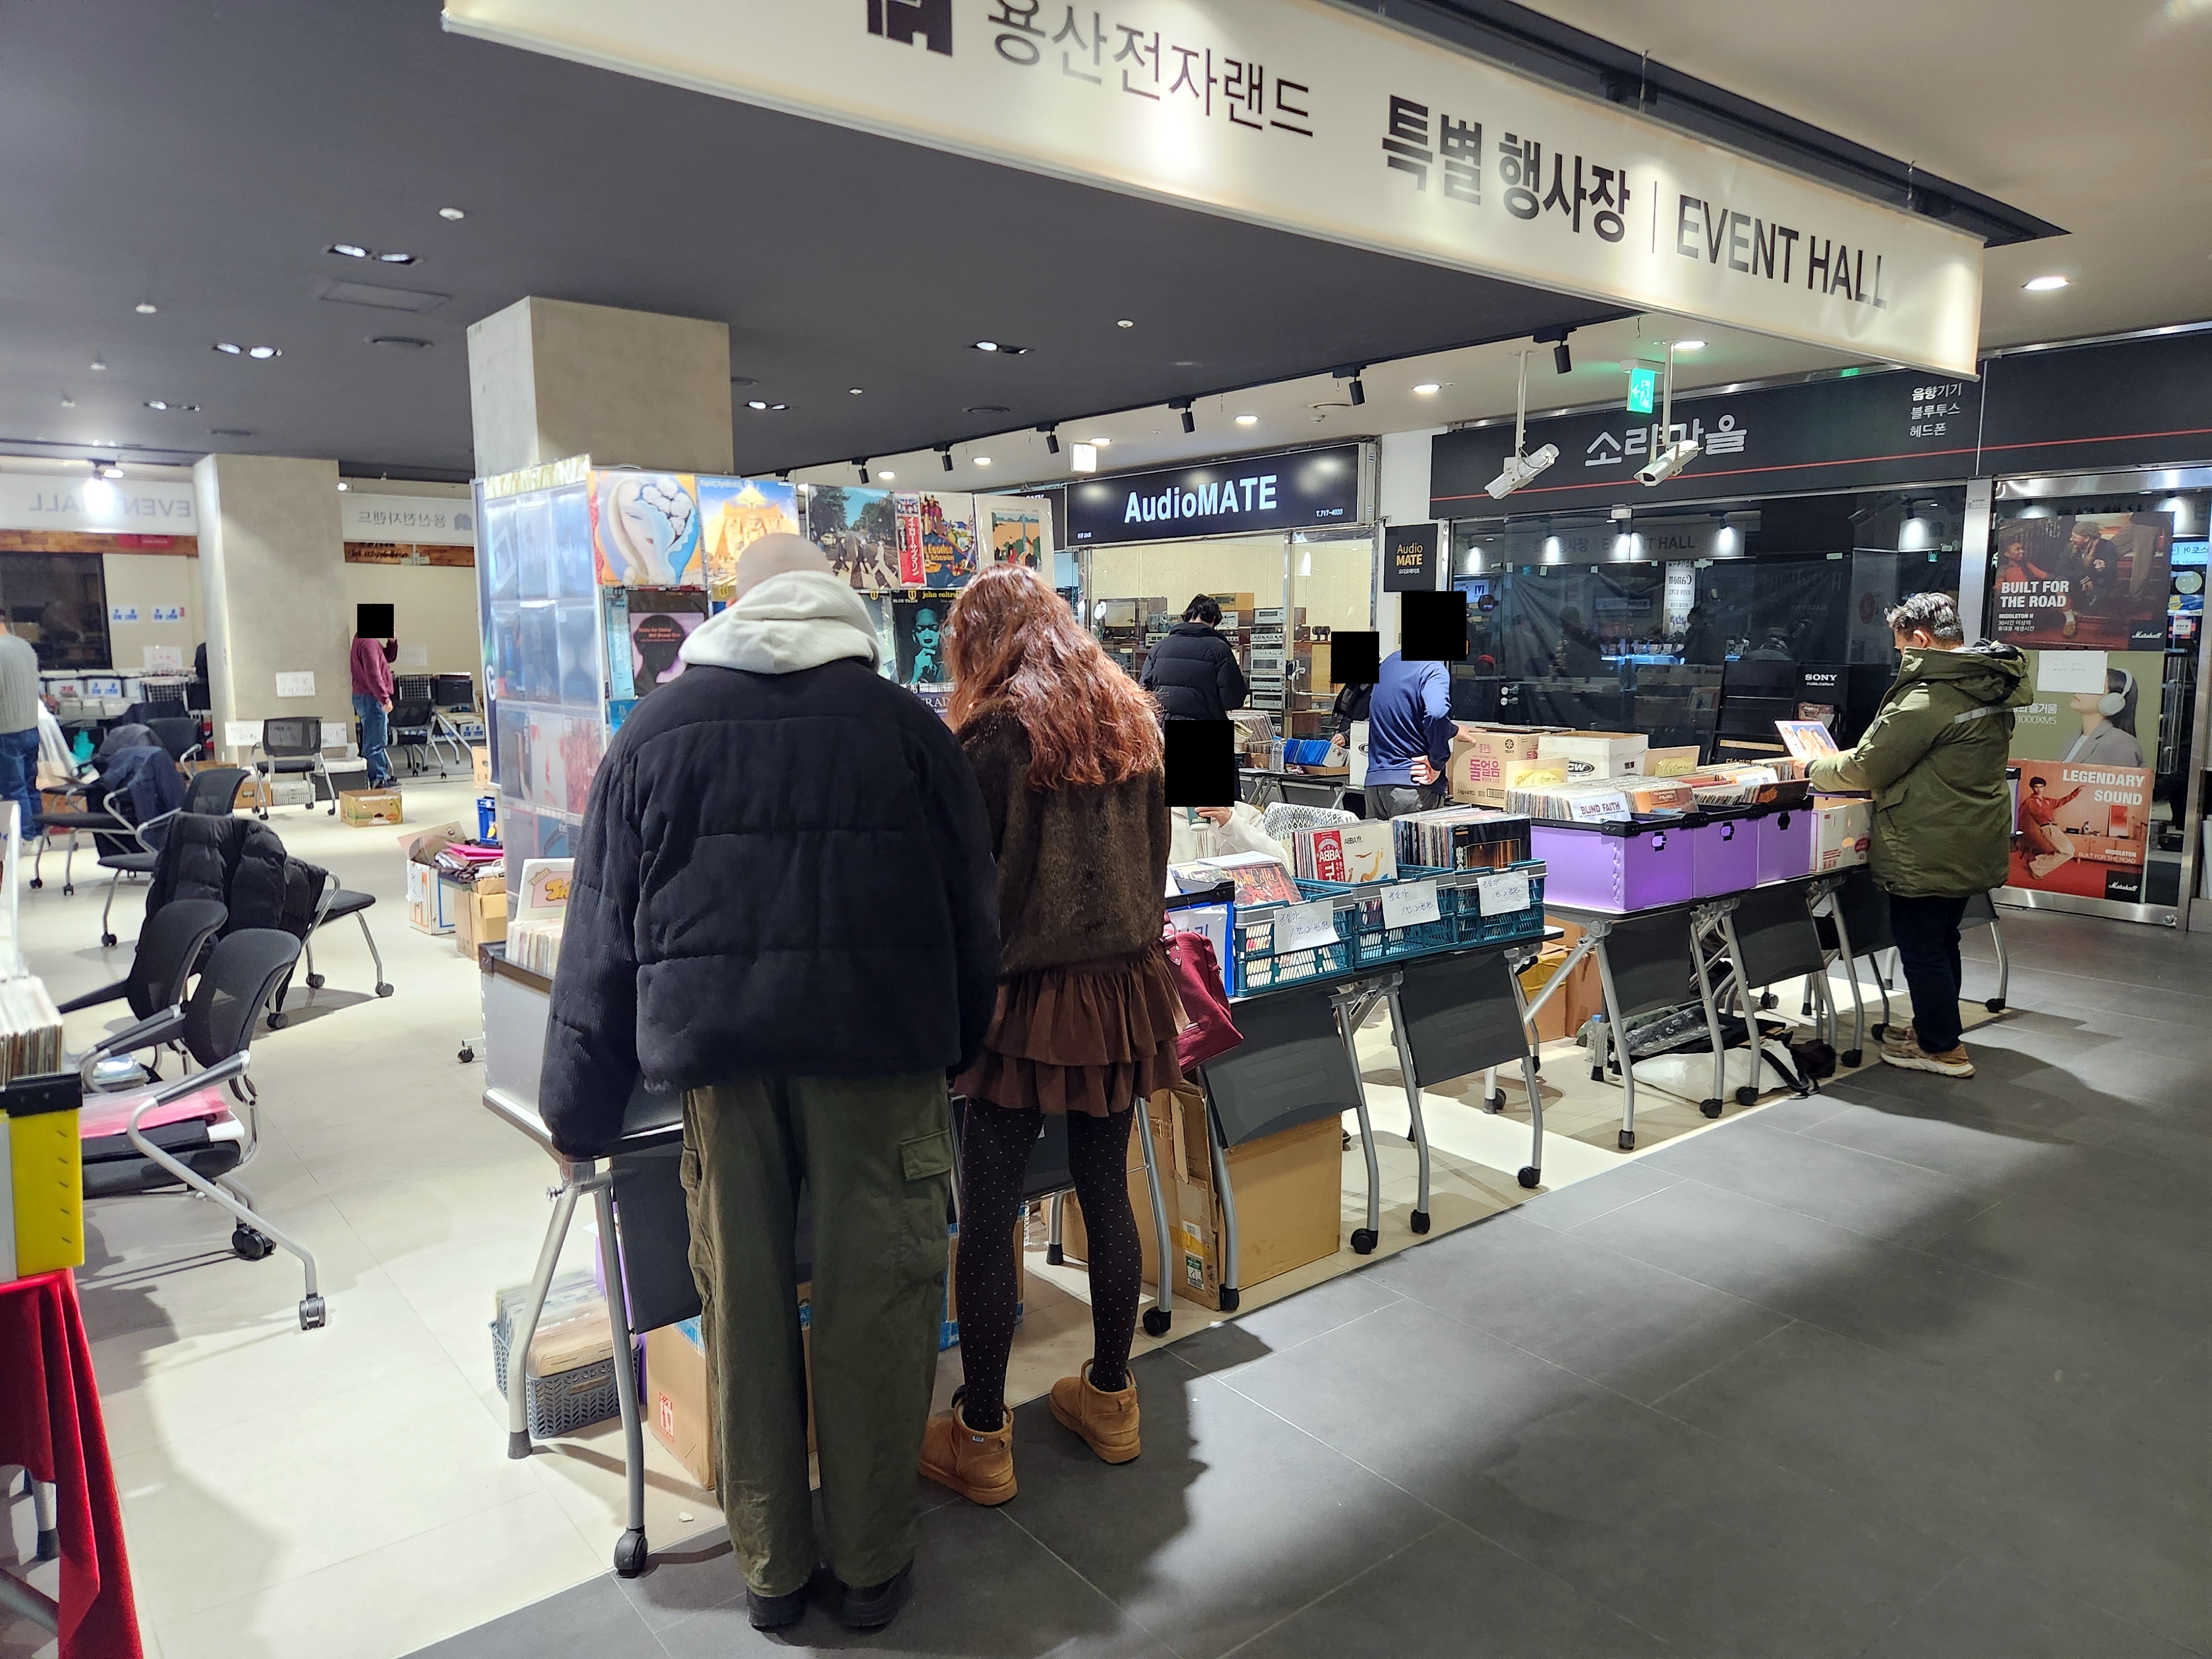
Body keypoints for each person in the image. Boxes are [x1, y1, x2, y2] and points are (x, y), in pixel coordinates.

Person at [540, 534, 999, 1634]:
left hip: (723, 1069)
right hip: (879, 1060)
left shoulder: (653, 733)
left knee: (739, 1309)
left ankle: (772, 1570)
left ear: (730, 609)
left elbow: (601, 930)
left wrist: (577, 1108)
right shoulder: (909, 731)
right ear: (839, 603)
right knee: (878, 1304)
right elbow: (971, 912)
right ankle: (872, 1564)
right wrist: (955, 1044)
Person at [922, 565, 1178, 1506]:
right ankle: (1111, 1398)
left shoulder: (994, 736)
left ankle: (983, 1435)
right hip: (1120, 994)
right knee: (1105, 1188)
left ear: (980, 642)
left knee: (991, 1212)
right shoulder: (1133, 720)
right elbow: (1157, 860)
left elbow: (961, 886)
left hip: (1022, 1005)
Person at [1806, 593, 2029, 1079]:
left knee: (1922, 946)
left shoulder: (1927, 699)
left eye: (1902, 647)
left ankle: (1942, 1049)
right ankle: (1936, 1028)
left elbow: (1869, 766)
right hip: (1969, 832)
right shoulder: (1989, 685)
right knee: (1943, 938)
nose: (1900, 658)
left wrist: (1811, 768)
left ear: (1922, 640)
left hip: (1927, 840)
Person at [1363, 645, 1456, 818]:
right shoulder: (1432, 669)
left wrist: (1453, 730)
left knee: (1378, 838)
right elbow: (1437, 713)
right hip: (1414, 785)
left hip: (1376, 787)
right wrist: (1437, 762)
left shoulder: (1389, 664)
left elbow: (1401, 714)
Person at [1139, 594, 1247, 721]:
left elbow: (1143, 692)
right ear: (1214, 618)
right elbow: (1233, 700)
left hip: (1164, 725)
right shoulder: (1220, 649)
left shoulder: (1159, 647)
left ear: (1188, 615)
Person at [0, 617, 41, 841]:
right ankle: (38, 833)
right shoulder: (25, 646)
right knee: (29, 785)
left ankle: (24, 838)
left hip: (6, 731)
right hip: (31, 728)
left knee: (13, 789)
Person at [1166, 801, 1292, 869]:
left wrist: (1231, 823)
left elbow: (1281, 864)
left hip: (1237, 903)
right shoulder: (1163, 819)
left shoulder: (1246, 813)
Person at [349, 623, 397, 790]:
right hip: (372, 697)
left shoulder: (362, 638)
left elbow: (387, 658)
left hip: (365, 696)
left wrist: (392, 642)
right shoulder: (368, 643)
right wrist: (384, 698)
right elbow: (373, 674)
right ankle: (378, 779)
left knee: (373, 737)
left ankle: (380, 775)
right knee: (376, 740)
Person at [2063, 669, 2143, 766]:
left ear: (2112, 701)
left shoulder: (2121, 743)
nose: (2080, 691)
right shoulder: (2073, 739)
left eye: (2093, 687)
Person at [2018, 775, 2084, 878]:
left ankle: (2037, 862)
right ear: (2032, 788)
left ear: (2044, 787)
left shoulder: (2048, 801)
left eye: (2041, 787)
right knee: (2067, 853)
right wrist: (2019, 832)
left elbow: (2063, 801)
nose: (2039, 789)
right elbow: (2021, 814)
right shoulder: (2029, 802)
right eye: (2036, 787)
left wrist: (2076, 792)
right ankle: (2037, 869)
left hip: (2055, 828)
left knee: (2071, 850)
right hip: (2047, 828)